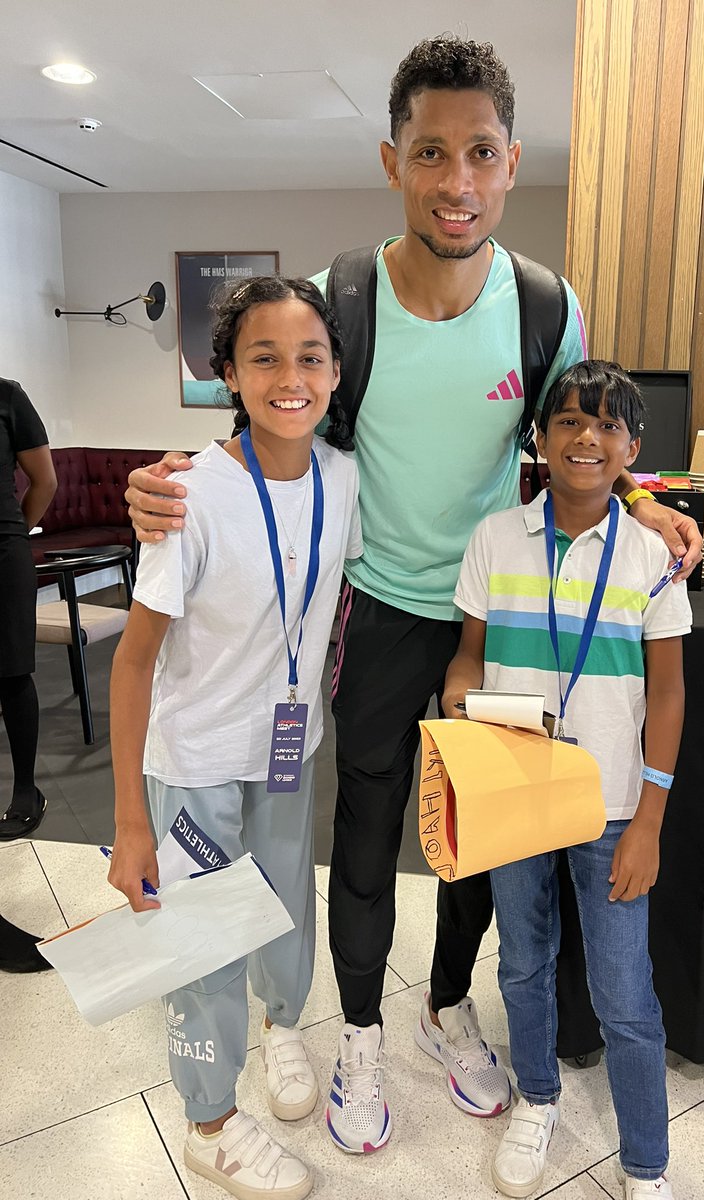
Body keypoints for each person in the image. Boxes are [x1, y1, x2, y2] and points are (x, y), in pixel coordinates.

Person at [123, 36, 702, 1155]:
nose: (456, 180)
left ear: (510, 160)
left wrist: (642, 502)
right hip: (382, 613)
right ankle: (357, 1040)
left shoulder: (543, 304)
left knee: (482, 842)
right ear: (395, 160)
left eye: (480, 153)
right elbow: (282, 426)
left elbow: (575, 435)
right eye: (431, 153)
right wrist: (172, 480)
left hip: (507, 615)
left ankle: (444, 1009)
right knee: (371, 828)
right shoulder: (349, 297)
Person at [107, 277, 362, 1200]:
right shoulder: (189, 496)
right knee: (203, 941)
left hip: (289, 745)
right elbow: (132, 665)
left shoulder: (344, 477)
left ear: (335, 372)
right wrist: (131, 822)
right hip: (198, 758)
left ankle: (282, 1023)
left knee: (287, 896)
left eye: (310, 357)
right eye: (264, 357)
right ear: (227, 373)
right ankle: (209, 1121)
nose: (290, 377)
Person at [444, 361, 690, 1199]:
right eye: (570, 422)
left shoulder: (652, 552)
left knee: (625, 992)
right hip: (518, 795)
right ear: (541, 438)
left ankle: (646, 1162)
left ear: (632, 447)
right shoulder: (494, 540)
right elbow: (467, 656)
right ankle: (538, 1099)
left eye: (608, 425)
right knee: (523, 962)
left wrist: (651, 820)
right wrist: (461, 700)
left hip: (615, 806)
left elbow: (667, 691)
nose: (587, 438)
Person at [0, 377, 57, 971]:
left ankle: (25, 786)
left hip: (2, 554)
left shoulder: (8, 396)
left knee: (13, 672)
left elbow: (44, 482)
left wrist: (14, 530)